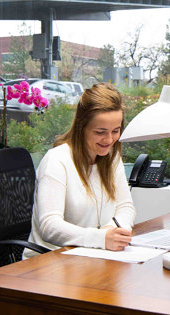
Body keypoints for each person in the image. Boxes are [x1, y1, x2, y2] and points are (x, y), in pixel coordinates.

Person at [27, 82, 135, 256]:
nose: (109, 140)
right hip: (51, 261)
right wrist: (101, 238)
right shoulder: (57, 160)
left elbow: (125, 207)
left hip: (92, 257)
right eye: (100, 132)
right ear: (81, 127)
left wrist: (111, 229)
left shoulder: (111, 157)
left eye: (115, 131)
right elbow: (49, 226)